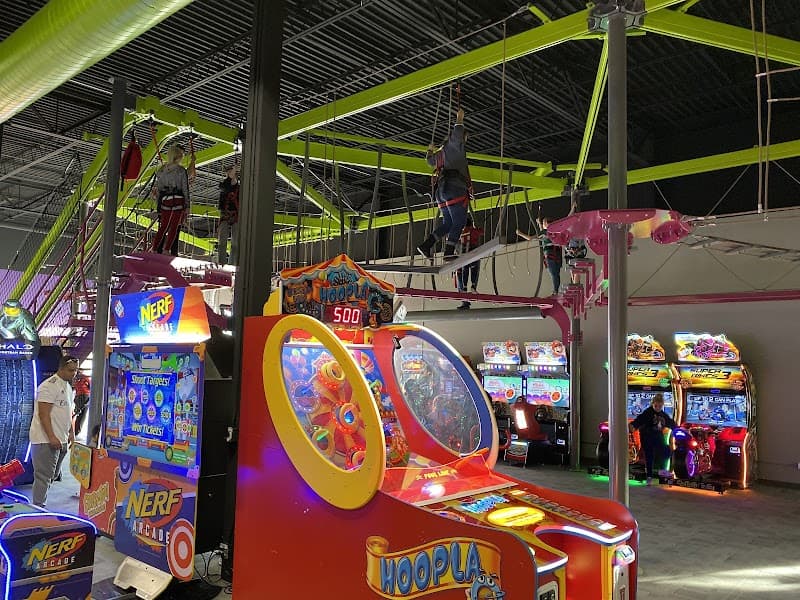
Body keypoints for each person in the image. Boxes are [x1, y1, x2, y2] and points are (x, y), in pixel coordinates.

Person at [416, 108, 472, 261]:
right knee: (459, 222)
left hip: (441, 192)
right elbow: (457, 134)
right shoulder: (455, 146)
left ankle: (426, 245)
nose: (464, 142)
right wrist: (460, 118)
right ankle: (448, 252)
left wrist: (429, 150)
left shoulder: (440, 155)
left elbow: (429, 161)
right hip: (454, 189)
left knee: (448, 223)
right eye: (465, 139)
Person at [29, 355, 78, 506]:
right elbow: (43, 414)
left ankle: (39, 503)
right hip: (44, 439)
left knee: (52, 475)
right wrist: (51, 436)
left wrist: (71, 432)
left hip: (61, 438)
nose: (73, 374)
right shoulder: (48, 386)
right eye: (71, 370)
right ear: (61, 368)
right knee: (43, 476)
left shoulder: (68, 387)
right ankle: (38, 507)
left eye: (76, 370)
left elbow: (69, 412)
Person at [151, 143, 193, 256]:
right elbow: (185, 188)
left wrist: (158, 205)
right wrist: (188, 205)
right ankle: (166, 249)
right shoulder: (180, 171)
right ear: (178, 157)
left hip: (166, 201)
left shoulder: (161, 171)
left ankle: (155, 248)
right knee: (174, 227)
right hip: (178, 201)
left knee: (163, 226)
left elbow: (159, 189)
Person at [629, 393, 678, 485]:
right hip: (647, 437)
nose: (658, 407)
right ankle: (649, 476)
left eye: (660, 406)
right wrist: (633, 426)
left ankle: (662, 471)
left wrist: (677, 429)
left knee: (666, 450)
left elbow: (670, 422)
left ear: (662, 405)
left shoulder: (662, 414)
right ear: (653, 404)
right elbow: (639, 420)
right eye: (656, 405)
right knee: (649, 456)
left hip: (657, 435)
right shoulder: (648, 412)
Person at [516, 217, 563, 295]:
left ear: (546, 224)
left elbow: (531, 238)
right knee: (556, 274)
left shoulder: (545, 232)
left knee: (554, 274)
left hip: (551, 257)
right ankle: (556, 290)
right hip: (557, 257)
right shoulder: (555, 230)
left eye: (544, 223)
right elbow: (543, 234)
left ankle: (555, 292)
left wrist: (520, 233)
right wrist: (539, 224)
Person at [456, 214, 483, 309]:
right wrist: (476, 227)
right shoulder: (472, 231)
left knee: (465, 271)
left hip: (464, 257)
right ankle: (473, 286)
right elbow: (481, 232)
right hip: (473, 253)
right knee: (475, 270)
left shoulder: (462, 232)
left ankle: (464, 287)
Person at [218, 165, 240, 265]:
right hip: (225, 215)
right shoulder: (224, 185)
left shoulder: (240, 189)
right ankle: (221, 263)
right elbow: (226, 186)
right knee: (222, 241)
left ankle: (232, 264)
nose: (228, 174)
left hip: (236, 216)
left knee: (235, 243)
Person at [72, 371, 91, 439]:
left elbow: (90, 386)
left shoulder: (82, 378)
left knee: (80, 414)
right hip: (81, 396)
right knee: (80, 414)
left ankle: (76, 432)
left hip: (82, 396)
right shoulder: (79, 378)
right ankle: (76, 432)